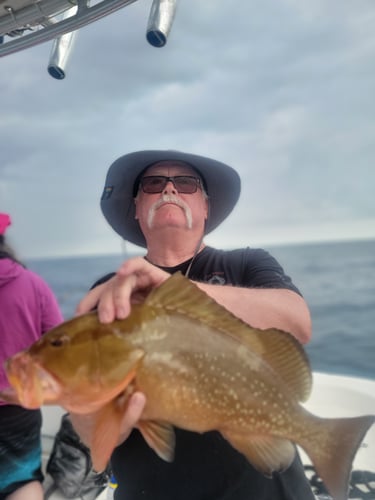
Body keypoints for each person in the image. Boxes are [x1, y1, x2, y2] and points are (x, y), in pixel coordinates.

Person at [76, 150, 314, 500]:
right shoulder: (113, 288)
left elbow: (297, 323)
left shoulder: (247, 264)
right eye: (153, 183)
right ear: (138, 209)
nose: (169, 190)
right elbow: (93, 430)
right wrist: (104, 421)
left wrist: (175, 289)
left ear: (206, 207)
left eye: (186, 183)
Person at [0, 213, 63, 500]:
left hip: (20, 404)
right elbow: (59, 347)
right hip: (20, 405)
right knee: (21, 481)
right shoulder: (33, 284)